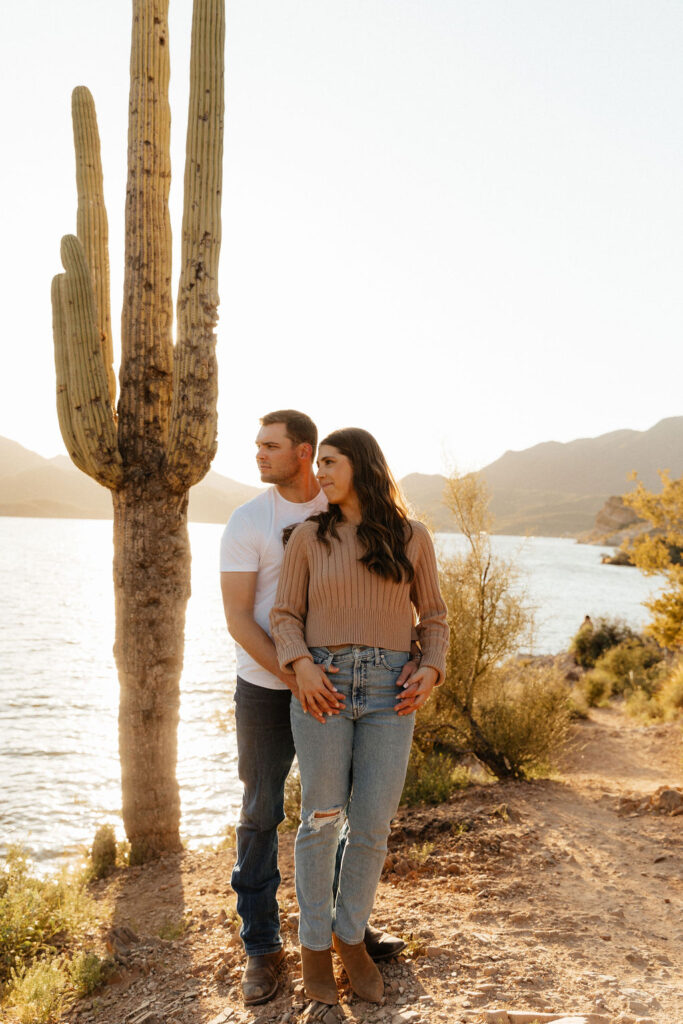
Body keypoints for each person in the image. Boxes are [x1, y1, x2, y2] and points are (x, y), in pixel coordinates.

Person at [220, 411, 412, 1006]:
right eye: (257, 446)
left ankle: (346, 931)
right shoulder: (250, 521)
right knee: (262, 811)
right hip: (269, 684)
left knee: (346, 812)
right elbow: (239, 620)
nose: (258, 455)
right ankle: (262, 948)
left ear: (304, 453)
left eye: (270, 446)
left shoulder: (335, 507)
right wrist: (298, 673)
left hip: (343, 689)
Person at [270, 427, 449, 1006]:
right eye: (317, 461)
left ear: (361, 465)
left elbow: (436, 618)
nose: (318, 471)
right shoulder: (306, 538)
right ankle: (314, 950)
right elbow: (283, 614)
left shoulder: (411, 537)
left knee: (370, 827)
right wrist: (301, 665)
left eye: (330, 461)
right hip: (323, 686)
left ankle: (352, 940)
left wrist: (432, 668)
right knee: (321, 821)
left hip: (391, 693)